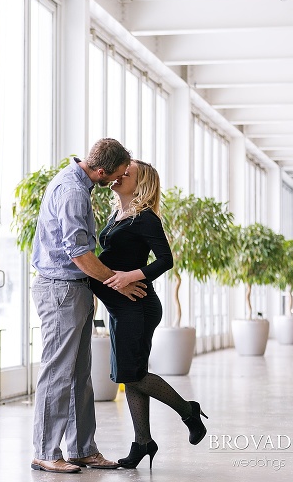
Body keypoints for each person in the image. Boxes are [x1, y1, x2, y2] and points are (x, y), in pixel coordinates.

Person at [30, 138, 147, 474]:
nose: (118, 180)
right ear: (100, 170)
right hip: (60, 291)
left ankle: (82, 449)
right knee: (57, 372)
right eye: (118, 174)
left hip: (74, 290)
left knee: (79, 374)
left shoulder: (80, 185)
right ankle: (45, 451)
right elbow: (79, 254)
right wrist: (117, 281)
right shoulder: (71, 191)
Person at [90, 159, 208, 470]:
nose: (118, 175)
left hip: (138, 306)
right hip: (120, 307)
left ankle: (188, 411)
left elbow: (166, 260)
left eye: (126, 173)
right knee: (130, 375)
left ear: (140, 184)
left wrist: (131, 276)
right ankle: (142, 442)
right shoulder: (118, 214)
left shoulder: (145, 219)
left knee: (134, 374)